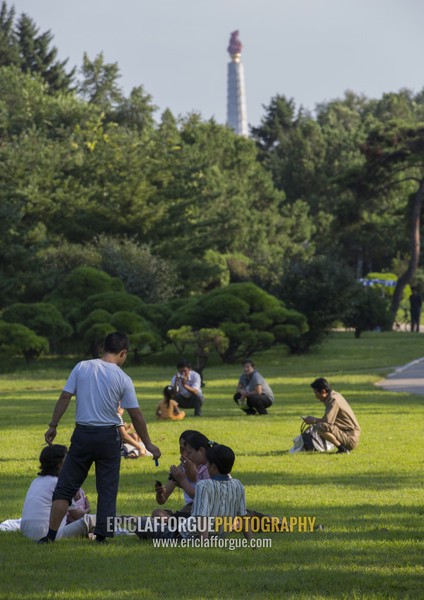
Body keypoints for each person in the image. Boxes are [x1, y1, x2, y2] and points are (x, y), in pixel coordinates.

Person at [39, 331, 161, 543]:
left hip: (82, 435)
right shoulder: (123, 378)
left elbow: (65, 396)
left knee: (65, 487)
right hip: (108, 437)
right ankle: (101, 537)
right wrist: (148, 443)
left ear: (105, 348)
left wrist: (53, 425)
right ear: (123, 353)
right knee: (107, 489)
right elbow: (136, 414)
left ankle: (50, 536)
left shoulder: (82, 366)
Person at [137, 444, 252, 543]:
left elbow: (202, 518)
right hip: (218, 536)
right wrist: (252, 542)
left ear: (213, 467)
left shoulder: (204, 485)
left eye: (207, 464)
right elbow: (243, 517)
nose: (205, 467)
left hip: (183, 536)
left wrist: (204, 544)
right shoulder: (238, 485)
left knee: (141, 524)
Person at [21, 445, 95, 540]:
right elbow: (77, 516)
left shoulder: (36, 481)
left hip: (27, 532)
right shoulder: (59, 483)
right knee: (95, 519)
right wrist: (87, 509)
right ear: (58, 463)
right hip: (48, 534)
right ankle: (117, 523)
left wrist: (71, 500)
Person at [303, 378, 361, 454]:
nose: (315, 396)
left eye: (316, 393)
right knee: (321, 426)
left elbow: (327, 422)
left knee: (320, 426)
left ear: (323, 391)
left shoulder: (333, 400)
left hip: (350, 439)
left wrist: (313, 420)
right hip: (350, 435)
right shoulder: (335, 395)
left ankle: (342, 449)